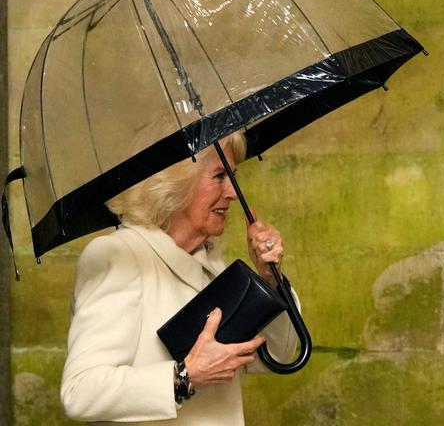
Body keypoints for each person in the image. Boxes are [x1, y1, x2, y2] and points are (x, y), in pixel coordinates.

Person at [60, 132, 298, 425]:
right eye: (220, 176)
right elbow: (81, 391)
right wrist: (185, 377)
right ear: (173, 183)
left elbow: (276, 356)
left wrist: (270, 279)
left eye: (232, 176)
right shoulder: (119, 256)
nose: (233, 193)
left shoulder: (210, 264)